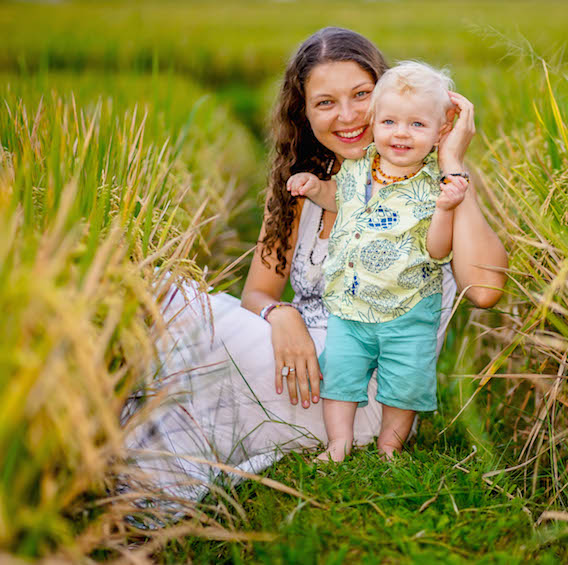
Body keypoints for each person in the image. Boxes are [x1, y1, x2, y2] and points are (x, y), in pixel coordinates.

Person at [124, 27, 507, 506]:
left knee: (183, 319)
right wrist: (281, 316)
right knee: (160, 299)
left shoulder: (436, 187)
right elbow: (258, 294)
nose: (347, 117)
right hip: (298, 369)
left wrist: (452, 160)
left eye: (361, 95)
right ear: (303, 113)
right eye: (325, 102)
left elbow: (487, 290)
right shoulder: (302, 187)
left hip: (364, 393)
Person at [286, 61, 470, 461]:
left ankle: (390, 445)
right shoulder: (358, 167)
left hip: (406, 311)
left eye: (417, 125)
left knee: (404, 383)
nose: (400, 133)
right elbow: (340, 198)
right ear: (375, 122)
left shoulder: (433, 184)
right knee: (340, 375)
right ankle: (339, 442)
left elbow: (438, 250)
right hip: (350, 306)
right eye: (389, 121)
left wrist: (444, 209)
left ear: (441, 131)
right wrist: (316, 187)